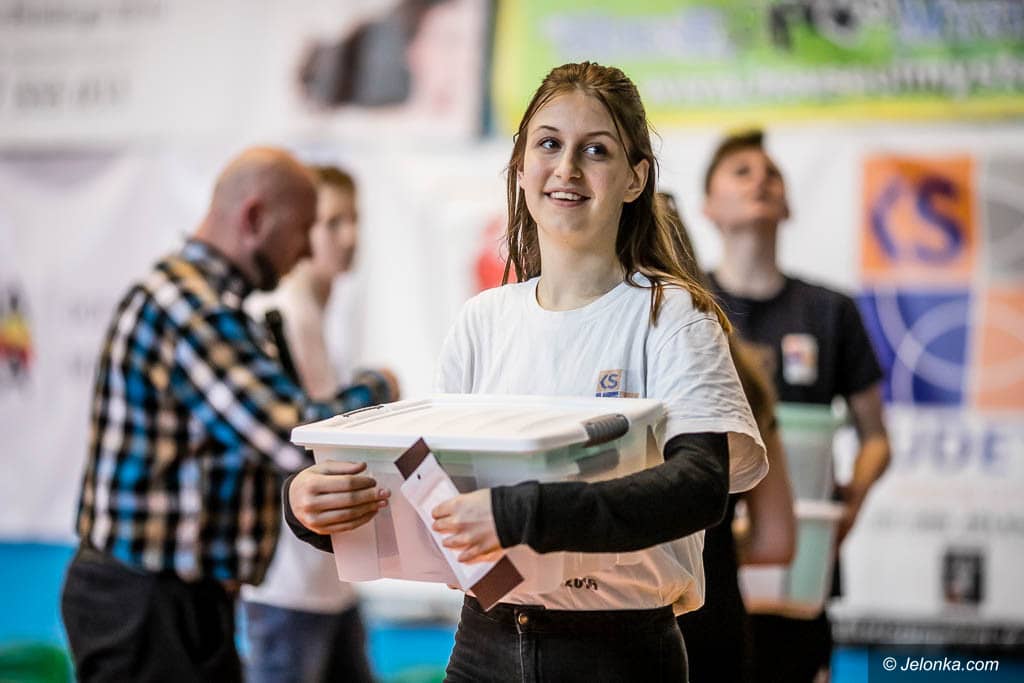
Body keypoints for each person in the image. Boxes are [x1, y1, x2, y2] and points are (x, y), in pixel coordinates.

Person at [285, 62, 768, 682]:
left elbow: (700, 484)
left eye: (596, 150)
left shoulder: (672, 315)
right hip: (482, 643)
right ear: (520, 168)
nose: (567, 168)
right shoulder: (482, 320)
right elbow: (435, 499)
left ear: (635, 179)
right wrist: (314, 509)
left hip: (617, 655)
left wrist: (522, 513)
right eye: (548, 144)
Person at [60, 148, 396, 683]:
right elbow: (291, 435)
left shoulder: (210, 305)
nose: (304, 251)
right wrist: (380, 387)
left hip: (181, 598)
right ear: (254, 218)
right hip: (148, 600)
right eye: (303, 230)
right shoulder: (190, 308)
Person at [702, 129, 891, 682]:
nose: (761, 179)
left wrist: (848, 505)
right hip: (710, 568)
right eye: (741, 171)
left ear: (788, 205)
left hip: (802, 565)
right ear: (709, 206)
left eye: (773, 174)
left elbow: (876, 438)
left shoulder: (832, 311)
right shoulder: (687, 307)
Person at [240, 165, 379, 683]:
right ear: (301, 229)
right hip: (286, 585)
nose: (350, 236)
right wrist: (377, 389)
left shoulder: (322, 321)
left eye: (354, 219)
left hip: (333, 576)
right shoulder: (276, 317)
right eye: (332, 222)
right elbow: (293, 439)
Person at [660, 192, 796, 683]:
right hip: (714, 618)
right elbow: (776, 539)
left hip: (618, 626)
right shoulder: (743, 372)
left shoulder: (594, 366)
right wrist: (702, 546)